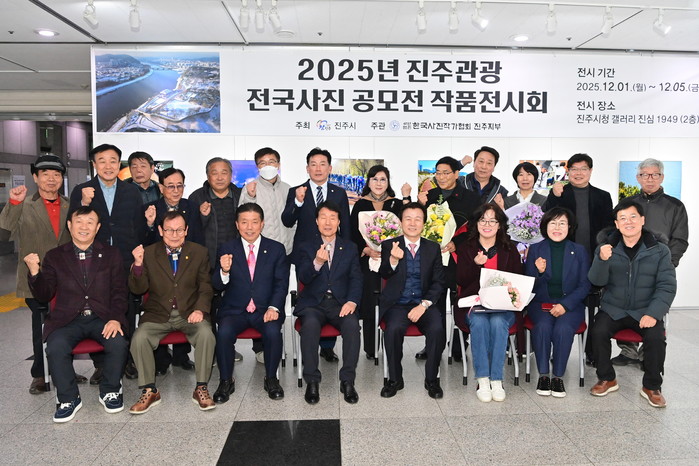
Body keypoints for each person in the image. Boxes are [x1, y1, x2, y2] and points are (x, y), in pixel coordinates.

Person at [25, 206, 129, 423]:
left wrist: (115, 318)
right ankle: (68, 398)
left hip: (102, 317)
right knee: (56, 346)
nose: (84, 227)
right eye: (79, 222)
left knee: (118, 342)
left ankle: (110, 390)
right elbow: (44, 295)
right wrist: (35, 272)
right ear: (70, 225)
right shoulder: (55, 256)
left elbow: (119, 291)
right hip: (68, 319)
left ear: (97, 227)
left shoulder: (111, 254)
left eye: (90, 222)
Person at [588, 199, 676, 408]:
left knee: (656, 338)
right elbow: (596, 281)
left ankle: (652, 386)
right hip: (614, 308)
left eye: (633, 217)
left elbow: (667, 286)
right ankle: (607, 378)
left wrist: (653, 313)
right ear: (616, 224)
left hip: (645, 310)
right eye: (623, 218)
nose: (628, 222)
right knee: (597, 331)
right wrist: (601, 259)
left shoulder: (660, 250)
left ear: (642, 220)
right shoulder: (606, 248)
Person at [69, 143, 146, 380]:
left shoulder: (131, 191)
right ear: (94, 165)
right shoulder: (82, 190)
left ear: (119, 164)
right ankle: (101, 364)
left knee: (127, 309)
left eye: (113, 161)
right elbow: (71, 225)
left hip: (124, 259)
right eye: (102, 161)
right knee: (98, 309)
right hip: (93, 262)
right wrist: (83, 204)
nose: (108, 166)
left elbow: (138, 227)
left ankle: (127, 360)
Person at [0, 155, 76, 394]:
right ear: (35, 177)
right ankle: (40, 375)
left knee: (68, 325)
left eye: (56, 174)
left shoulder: (69, 205)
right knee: (40, 327)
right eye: (45, 174)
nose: (51, 179)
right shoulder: (23, 204)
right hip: (35, 278)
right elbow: (3, 234)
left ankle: (64, 370)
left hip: (67, 279)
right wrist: (13, 203)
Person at [128, 211, 216, 413]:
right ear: (160, 230)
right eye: (169, 230)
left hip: (190, 312)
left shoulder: (199, 252)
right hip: (158, 313)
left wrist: (200, 309)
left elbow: (205, 287)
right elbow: (138, 289)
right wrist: (138, 265)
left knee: (206, 334)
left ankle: (201, 387)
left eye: (179, 230)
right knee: (139, 338)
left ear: (186, 230)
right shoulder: (148, 253)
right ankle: (150, 390)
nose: (174, 235)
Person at [612, 158, 689, 368]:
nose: (650, 179)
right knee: (625, 305)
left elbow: (680, 239)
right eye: (645, 174)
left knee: (653, 308)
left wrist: (668, 263)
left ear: (662, 177)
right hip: (627, 267)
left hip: (659, 268)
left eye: (655, 174)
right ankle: (628, 351)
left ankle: (648, 354)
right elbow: (615, 234)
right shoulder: (627, 203)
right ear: (638, 178)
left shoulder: (675, 206)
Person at [212, 203, 290, 402]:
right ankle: (226, 380)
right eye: (244, 222)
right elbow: (217, 285)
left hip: (265, 309)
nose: (249, 227)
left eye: (254, 222)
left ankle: (271, 379)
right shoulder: (227, 249)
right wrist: (224, 271)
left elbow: (281, 284)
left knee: (273, 332)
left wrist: (274, 307)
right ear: (237, 225)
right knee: (223, 333)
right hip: (235, 310)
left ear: (262, 224)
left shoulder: (276, 249)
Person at [543, 153, 613, 365]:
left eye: (583, 169)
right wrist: (553, 194)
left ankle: (591, 352)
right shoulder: (560, 193)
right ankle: (556, 350)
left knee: (593, 309)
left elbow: (609, 229)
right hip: (563, 261)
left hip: (593, 261)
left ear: (590, 171)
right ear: (568, 172)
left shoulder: (603, 196)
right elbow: (547, 219)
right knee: (559, 305)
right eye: (574, 169)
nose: (579, 173)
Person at [282, 148, 351, 363]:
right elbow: (287, 221)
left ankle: (327, 347)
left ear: (329, 168)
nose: (318, 168)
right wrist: (298, 202)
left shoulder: (339, 193)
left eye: (322, 164)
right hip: (306, 254)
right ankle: (311, 343)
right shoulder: (296, 191)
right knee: (312, 296)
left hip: (334, 253)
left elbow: (346, 226)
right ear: (307, 168)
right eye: (313, 164)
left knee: (332, 296)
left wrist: (348, 252)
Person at [294, 201, 362, 405]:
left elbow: (356, 278)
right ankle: (312, 381)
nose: (328, 222)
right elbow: (303, 277)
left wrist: (352, 301)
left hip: (340, 303)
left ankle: (347, 380)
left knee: (352, 326)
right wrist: (317, 262)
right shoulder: (306, 246)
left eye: (333, 218)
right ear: (316, 221)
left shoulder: (349, 247)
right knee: (310, 326)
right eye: (323, 217)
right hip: (313, 303)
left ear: (339, 221)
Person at [456, 203, 522, 403]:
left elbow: (519, 280)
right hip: (474, 304)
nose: (487, 225)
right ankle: (483, 379)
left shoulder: (510, 249)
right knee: (479, 322)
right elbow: (460, 280)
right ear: (476, 224)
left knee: (498, 322)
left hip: (503, 306)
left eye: (492, 221)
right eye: (483, 220)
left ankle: (497, 379)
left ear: (500, 225)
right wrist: (475, 265)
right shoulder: (466, 248)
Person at [378, 202, 446, 399]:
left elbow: (439, 282)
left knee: (437, 329)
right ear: (401, 222)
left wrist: (424, 305)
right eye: (408, 219)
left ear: (424, 223)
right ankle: (394, 379)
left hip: (424, 304)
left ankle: (432, 379)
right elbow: (384, 273)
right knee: (393, 329)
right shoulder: (390, 245)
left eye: (418, 219)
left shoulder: (432, 248)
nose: (413, 223)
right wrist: (393, 260)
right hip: (398, 304)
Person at [417, 156, 481, 362]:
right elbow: (418, 224)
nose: (441, 177)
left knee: (459, 302)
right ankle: (432, 346)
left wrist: (457, 242)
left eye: (446, 173)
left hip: (458, 258)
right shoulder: (430, 196)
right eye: (438, 173)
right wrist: (419, 205)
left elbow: (475, 228)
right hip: (433, 259)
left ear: (456, 174)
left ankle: (459, 347)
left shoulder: (471, 198)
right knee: (433, 302)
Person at [524, 207, 591, 397]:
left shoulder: (579, 251)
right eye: (553, 223)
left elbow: (585, 284)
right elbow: (529, 285)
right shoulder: (535, 249)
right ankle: (544, 375)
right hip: (541, 304)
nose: (557, 227)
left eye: (562, 223)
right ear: (545, 226)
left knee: (563, 328)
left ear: (569, 227)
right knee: (543, 327)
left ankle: (558, 377)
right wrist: (540, 273)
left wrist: (565, 305)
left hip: (571, 305)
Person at [143, 167, 202, 374]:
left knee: (185, 303)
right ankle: (161, 359)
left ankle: (181, 356)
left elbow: (197, 238)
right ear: (161, 188)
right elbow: (144, 241)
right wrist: (150, 224)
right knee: (162, 308)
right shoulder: (151, 208)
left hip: (186, 265)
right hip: (159, 268)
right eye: (170, 186)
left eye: (179, 186)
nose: (176, 190)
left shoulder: (191, 207)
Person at [239, 147, 295, 364]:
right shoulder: (250, 188)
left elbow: (293, 219)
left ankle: (275, 340)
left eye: (272, 161)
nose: (268, 166)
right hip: (259, 254)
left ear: (278, 164)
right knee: (258, 296)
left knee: (278, 295)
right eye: (263, 163)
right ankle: (260, 347)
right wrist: (249, 196)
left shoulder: (288, 189)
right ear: (257, 167)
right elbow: (243, 218)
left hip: (284, 251)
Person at [189, 157, 243, 361]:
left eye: (224, 172)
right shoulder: (196, 197)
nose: (219, 177)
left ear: (231, 175)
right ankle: (210, 351)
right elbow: (190, 232)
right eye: (215, 172)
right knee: (209, 307)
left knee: (233, 306)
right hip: (208, 262)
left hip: (237, 261)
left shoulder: (241, 195)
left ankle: (228, 347)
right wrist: (202, 217)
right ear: (207, 175)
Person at [349, 165, 406, 360]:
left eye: (383, 179)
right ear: (368, 182)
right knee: (369, 303)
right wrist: (366, 249)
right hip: (368, 260)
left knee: (392, 301)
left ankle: (391, 344)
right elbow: (353, 233)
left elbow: (405, 231)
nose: (379, 183)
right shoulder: (360, 204)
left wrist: (390, 251)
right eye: (375, 179)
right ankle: (371, 348)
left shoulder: (396, 204)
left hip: (393, 260)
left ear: (388, 182)